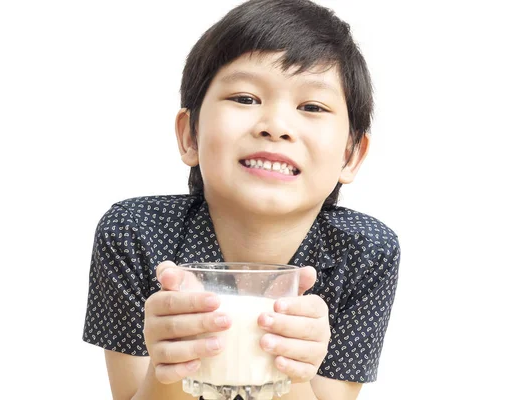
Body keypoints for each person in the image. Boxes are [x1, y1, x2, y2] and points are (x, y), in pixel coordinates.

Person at [82, 0, 401, 399]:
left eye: (312, 106)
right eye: (246, 99)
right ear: (190, 135)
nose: (276, 126)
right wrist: (172, 370)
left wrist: (291, 367)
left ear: (350, 155)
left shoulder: (365, 252)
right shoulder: (135, 234)